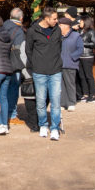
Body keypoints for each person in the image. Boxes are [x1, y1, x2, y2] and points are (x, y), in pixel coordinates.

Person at [26, 7, 64, 140]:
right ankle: (43, 124)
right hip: (39, 72)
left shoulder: (57, 30)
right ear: (46, 19)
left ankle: (54, 128)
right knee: (41, 101)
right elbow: (28, 50)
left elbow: (60, 47)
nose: (56, 21)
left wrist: (57, 63)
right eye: (54, 18)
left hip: (55, 71)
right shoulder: (32, 31)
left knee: (55, 101)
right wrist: (36, 64)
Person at [58, 17, 83, 112]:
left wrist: (72, 57)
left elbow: (80, 49)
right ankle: (63, 103)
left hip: (71, 64)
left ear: (66, 26)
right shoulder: (58, 36)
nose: (59, 27)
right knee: (61, 85)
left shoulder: (76, 36)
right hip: (59, 64)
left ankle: (71, 103)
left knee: (70, 84)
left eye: (60, 25)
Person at [77, 17, 95, 102]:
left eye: (81, 21)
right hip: (80, 56)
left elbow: (94, 43)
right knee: (82, 76)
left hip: (87, 56)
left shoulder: (91, 32)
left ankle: (92, 94)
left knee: (88, 75)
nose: (79, 23)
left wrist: (83, 43)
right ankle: (85, 93)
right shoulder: (79, 31)